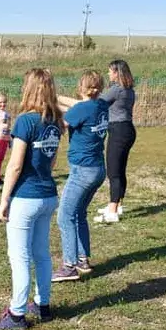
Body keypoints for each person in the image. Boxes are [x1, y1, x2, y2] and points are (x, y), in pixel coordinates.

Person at [0, 68, 64, 330]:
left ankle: (17, 313)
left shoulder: (25, 121)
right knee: (41, 253)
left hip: (26, 197)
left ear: (29, 89)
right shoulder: (55, 121)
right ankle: (43, 304)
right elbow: (52, 162)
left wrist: (4, 199)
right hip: (48, 195)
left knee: (19, 256)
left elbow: (15, 165)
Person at [52, 71, 111, 281]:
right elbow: (77, 106)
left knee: (64, 216)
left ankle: (69, 265)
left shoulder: (81, 110)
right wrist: (56, 98)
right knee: (79, 214)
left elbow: (63, 124)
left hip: (82, 171)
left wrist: (51, 105)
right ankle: (82, 259)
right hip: (98, 169)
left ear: (80, 87)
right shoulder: (101, 105)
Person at [94, 59, 137, 223]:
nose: (108, 73)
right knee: (120, 169)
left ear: (117, 73)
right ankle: (117, 204)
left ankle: (112, 211)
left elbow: (97, 103)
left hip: (118, 131)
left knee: (113, 171)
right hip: (127, 129)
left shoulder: (116, 90)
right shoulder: (129, 90)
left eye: (110, 71)